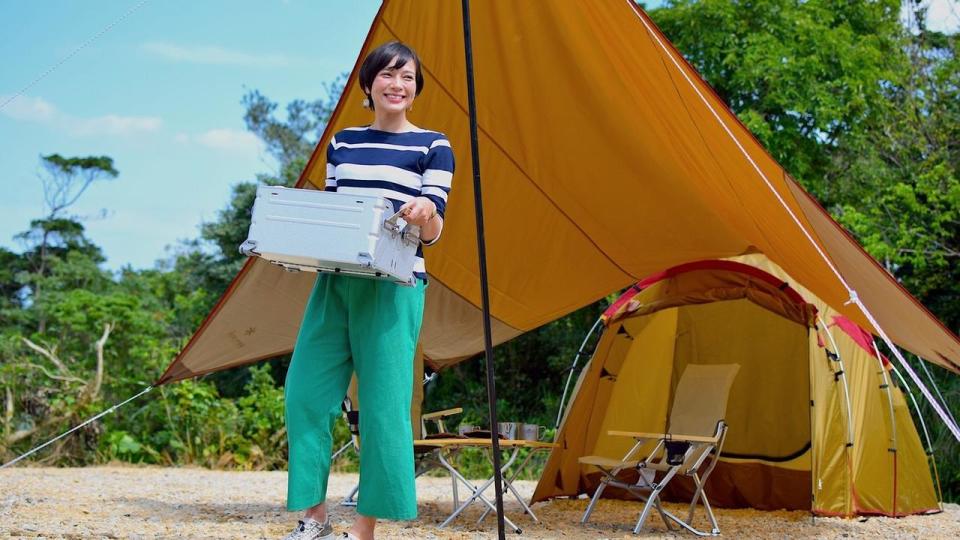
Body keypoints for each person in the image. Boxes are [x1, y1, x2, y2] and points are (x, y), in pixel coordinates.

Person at [282, 41, 454, 540]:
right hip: (336, 283)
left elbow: (435, 226)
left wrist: (425, 214)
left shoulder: (433, 145)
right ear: (369, 84)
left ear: (416, 89)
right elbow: (336, 216)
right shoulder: (343, 143)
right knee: (304, 395)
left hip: (395, 288)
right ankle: (313, 519)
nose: (397, 85)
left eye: (408, 78)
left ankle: (364, 529)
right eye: (388, 75)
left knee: (382, 408)